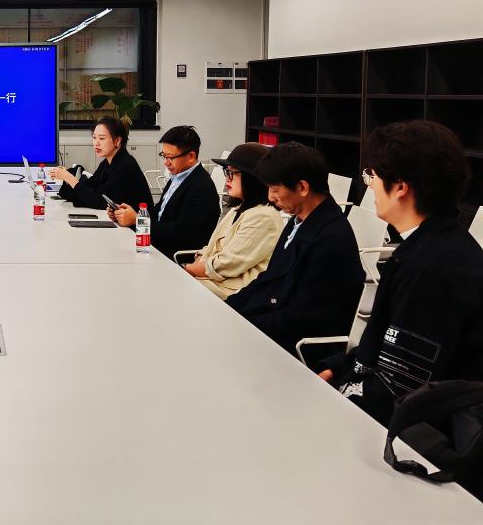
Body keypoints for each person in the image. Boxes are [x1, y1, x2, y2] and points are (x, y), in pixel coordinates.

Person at [318, 121, 483, 426]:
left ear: (400, 187)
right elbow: (386, 345)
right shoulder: (430, 244)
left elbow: (400, 388)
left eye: (372, 175)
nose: (369, 185)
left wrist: (331, 402)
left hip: (404, 434)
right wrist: (339, 366)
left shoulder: (431, 269)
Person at [225, 142, 363, 356]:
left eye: (275, 190)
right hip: (276, 323)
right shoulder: (300, 218)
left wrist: (242, 324)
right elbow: (269, 279)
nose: (270, 198)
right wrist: (229, 307)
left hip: (301, 349)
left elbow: (301, 318)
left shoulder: (331, 239)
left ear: (302, 188)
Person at [180, 143, 284, 299]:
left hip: (232, 293)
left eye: (232, 173)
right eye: (226, 172)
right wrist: (197, 262)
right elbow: (213, 249)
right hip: (213, 282)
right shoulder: (239, 209)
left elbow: (227, 264)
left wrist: (186, 268)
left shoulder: (264, 217)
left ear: (252, 178)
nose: (227, 179)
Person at [110, 125, 220, 260]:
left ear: (191, 156)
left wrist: (137, 220)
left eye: (170, 157)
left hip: (176, 257)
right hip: (157, 247)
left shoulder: (201, 187)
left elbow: (180, 233)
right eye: (164, 156)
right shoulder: (178, 177)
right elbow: (159, 214)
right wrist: (126, 215)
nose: (166, 163)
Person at [48, 117, 153, 211]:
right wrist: (67, 179)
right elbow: (86, 190)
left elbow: (100, 202)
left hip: (139, 224)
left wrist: (69, 178)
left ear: (117, 141)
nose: (96, 143)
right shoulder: (107, 163)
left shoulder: (126, 166)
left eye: (102, 138)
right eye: (94, 138)